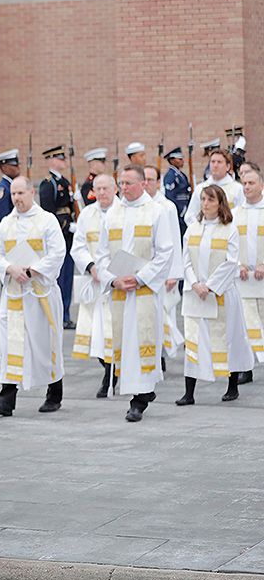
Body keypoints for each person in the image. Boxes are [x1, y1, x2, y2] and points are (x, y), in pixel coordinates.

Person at [93, 165, 175, 422]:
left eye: (129, 183)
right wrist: (113, 280)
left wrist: (140, 278)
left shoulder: (157, 212)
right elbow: (102, 254)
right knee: (126, 344)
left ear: (142, 184)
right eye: (122, 183)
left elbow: (165, 251)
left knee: (141, 342)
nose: (124, 188)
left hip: (144, 291)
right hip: (120, 290)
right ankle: (140, 392)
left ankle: (139, 399)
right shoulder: (112, 213)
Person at [0, 176, 66, 416]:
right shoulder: (7, 223)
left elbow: (57, 253)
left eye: (21, 193)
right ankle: (6, 398)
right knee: (11, 344)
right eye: (13, 194)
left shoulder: (47, 220)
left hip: (40, 294)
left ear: (32, 193)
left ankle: (54, 392)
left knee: (45, 343)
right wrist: (11, 269)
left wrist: (32, 271)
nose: (16, 199)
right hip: (14, 295)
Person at [175, 184, 253, 404]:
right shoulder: (193, 228)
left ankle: (232, 386)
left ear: (220, 203)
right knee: (194, 340)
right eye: (202, 199)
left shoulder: (230, 228)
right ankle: (189, 393)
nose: (205, 204)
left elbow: (230, 262)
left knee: (228, 339)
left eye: (210, 200)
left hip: (221, 294)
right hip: (196, 294)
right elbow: (185, 259)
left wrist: (209, 286)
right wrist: (194, 284)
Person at [70, 173, 119, 397]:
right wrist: (91, 267)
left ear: (115, 189)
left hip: (118, 282)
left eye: (105, 188)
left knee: (113, 331)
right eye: (97, 189)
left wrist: (112, 273)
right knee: (96, 334)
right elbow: (78, 246)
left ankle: (111, 375)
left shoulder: (123, 212)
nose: (101, 193)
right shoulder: (88, 214)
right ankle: (109, 369)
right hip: (95, 282)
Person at [144, 166, 185, 365]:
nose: (147, 183)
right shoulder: (139, 205)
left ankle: (161, 354)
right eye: (144, 179)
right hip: (143, 270)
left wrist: (174, 273)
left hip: (164, 271)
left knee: (164, 312)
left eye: (151, 179)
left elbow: (174, 242)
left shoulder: (166, 206)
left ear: (159, 182)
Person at [229, 167, 264, 383]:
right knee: (246, 322)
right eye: (245, 184)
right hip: (244, 278)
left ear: (261, 185)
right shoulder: (235, 213)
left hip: (263, 275)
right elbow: (229, 243)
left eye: (252, 183)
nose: (247, 187)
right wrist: (238, 265)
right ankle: (247, 367)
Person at [38, 145, 76, 329]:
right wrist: (65, 225)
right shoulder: (48, 183)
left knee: (68, 276)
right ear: (52, 161)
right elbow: (48, 212)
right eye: (60, 159)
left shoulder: (66, 181)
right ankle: (58, 313)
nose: (64, 162)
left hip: (69, 234)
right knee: (59, 276)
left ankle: (66, 312)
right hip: (58, 233)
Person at [185, 149, 244, 228]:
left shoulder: (237, 189)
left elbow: (241, 215)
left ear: (228, 166)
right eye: (213, 162)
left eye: (219, 162)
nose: (215, 165)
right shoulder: (200, 189)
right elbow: (190, 216)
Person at [163, 146, 191, 235]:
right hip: (179, 212)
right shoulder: (171, 176)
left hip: (184, 210)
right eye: (179, 159)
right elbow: (170, 195)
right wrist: (179, 210)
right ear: (172, 161)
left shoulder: (181, 174)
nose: (182, 161)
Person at [0, 149, 20, 223]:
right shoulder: (2, 189)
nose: (18, 168)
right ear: (4, 168)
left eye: (18, 165)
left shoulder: (13, 185)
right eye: (14, 165)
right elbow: (2, 217)